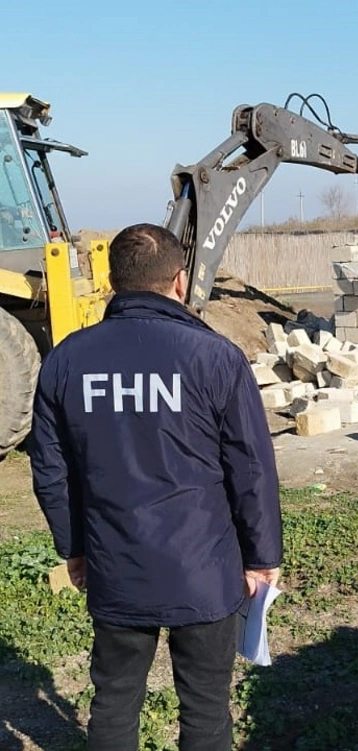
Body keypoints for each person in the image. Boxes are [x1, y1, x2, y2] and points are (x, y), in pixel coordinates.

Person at [27, 222, 283, 751]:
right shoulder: (216, 357)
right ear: (180, 281)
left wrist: (74, 549)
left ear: (112, 282)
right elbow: (251, 468)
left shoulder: (66, 360)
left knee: (115, 700)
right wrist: (262, 557)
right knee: (206, 707)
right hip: (205, 570)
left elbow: (51, 470)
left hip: (116, 566)